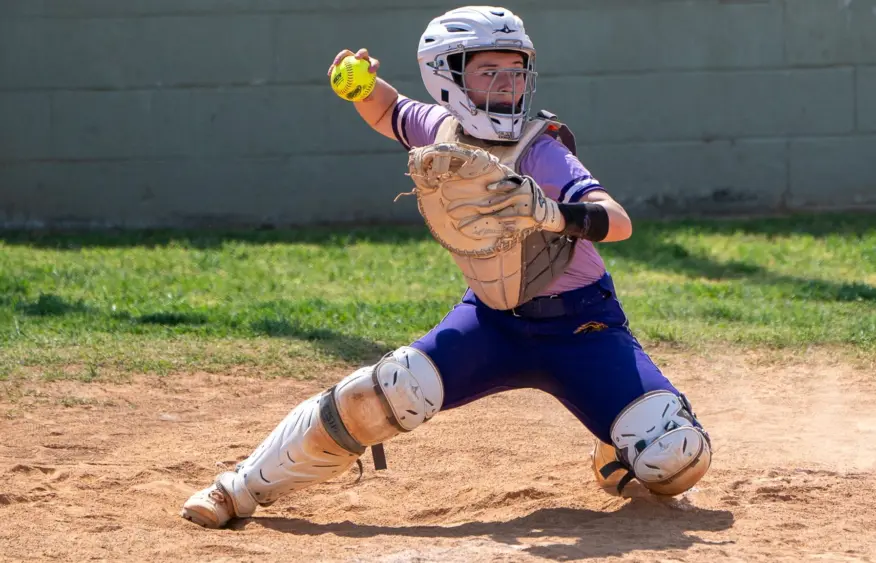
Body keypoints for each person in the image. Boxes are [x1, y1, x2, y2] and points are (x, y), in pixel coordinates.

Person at [180, 6, 711, 529]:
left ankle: (613, 442)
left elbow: (618, 221)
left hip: (582, 326)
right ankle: (239, 487)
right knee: (377, 396)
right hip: (491, 323)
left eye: (516, 70)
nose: (507, 83)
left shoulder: (538, 148)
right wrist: (360, 86)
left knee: (677, 456)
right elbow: (389, 110)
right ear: (446, 77)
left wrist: (552, 213)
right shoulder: (439, 130)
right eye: (489, 71)